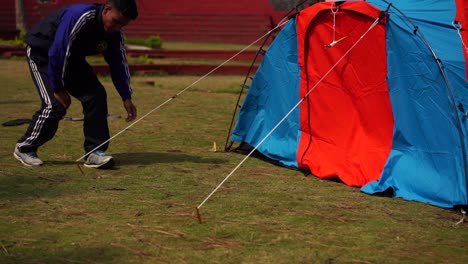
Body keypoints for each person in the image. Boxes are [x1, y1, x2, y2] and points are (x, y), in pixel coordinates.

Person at [13, 0, 138, 169]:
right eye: (115, 22)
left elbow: (118, 62)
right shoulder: (81, 16)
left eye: (122, 25)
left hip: (71, 59)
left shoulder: (114, 33)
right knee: (55, 105)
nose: (116, 28)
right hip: (42, 54)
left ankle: (94, 152)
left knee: (96, 95)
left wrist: (126, 96)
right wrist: (58, 88)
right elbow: (58, 51)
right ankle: (25, 147)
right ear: (106, 10)